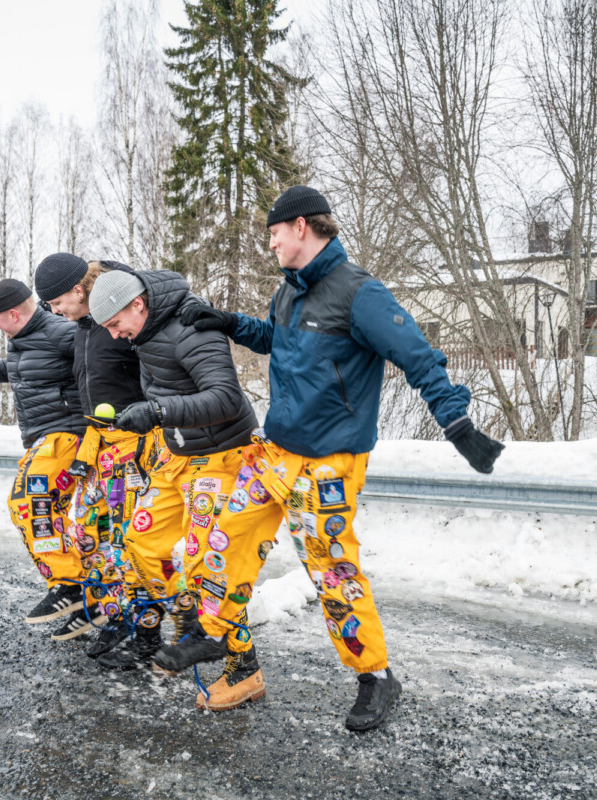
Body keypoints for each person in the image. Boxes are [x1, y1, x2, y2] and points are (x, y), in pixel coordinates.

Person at [175, 185, 505, 732]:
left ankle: (375, 676)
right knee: (222, 536)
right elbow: (278, 341)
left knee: (332, 572)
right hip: (276, 452)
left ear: (301, 226)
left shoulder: (360, 293)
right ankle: (219, 637)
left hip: (329, 463)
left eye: (275, 234)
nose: (272, 244)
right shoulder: (289, 292)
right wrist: (230, 323)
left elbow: (418, 357)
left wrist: (457, 422)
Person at [88, 267, 275, 710]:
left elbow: (226, 397)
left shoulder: (191, 326)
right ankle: (196, 623)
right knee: (141, 542)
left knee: (204, 558)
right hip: (179, 458)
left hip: (225, 455)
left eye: (116, 324)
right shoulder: (147, 330)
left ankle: (242, 664)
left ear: (138, 304)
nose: (115, 336)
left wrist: (157, 411)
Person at [32, 254, 174, 664]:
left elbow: (156, 372)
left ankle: (147, 633)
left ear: (79, 291)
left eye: (56, 302)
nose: (54, 312)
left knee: (130, 542)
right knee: (94, 537)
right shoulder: (82, 327)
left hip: (135, 444)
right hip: (98, 446)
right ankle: (114, 615)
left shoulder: (117, 317)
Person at [0, 278, 106, 642]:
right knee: (58, 517)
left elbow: (102, 359)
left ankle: (70, 584)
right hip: (44, 438)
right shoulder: (22, 341)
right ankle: (93, 597)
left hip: (66, 434)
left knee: (29, 503)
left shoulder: (59, 331)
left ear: (13, 313)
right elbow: (19, 368)